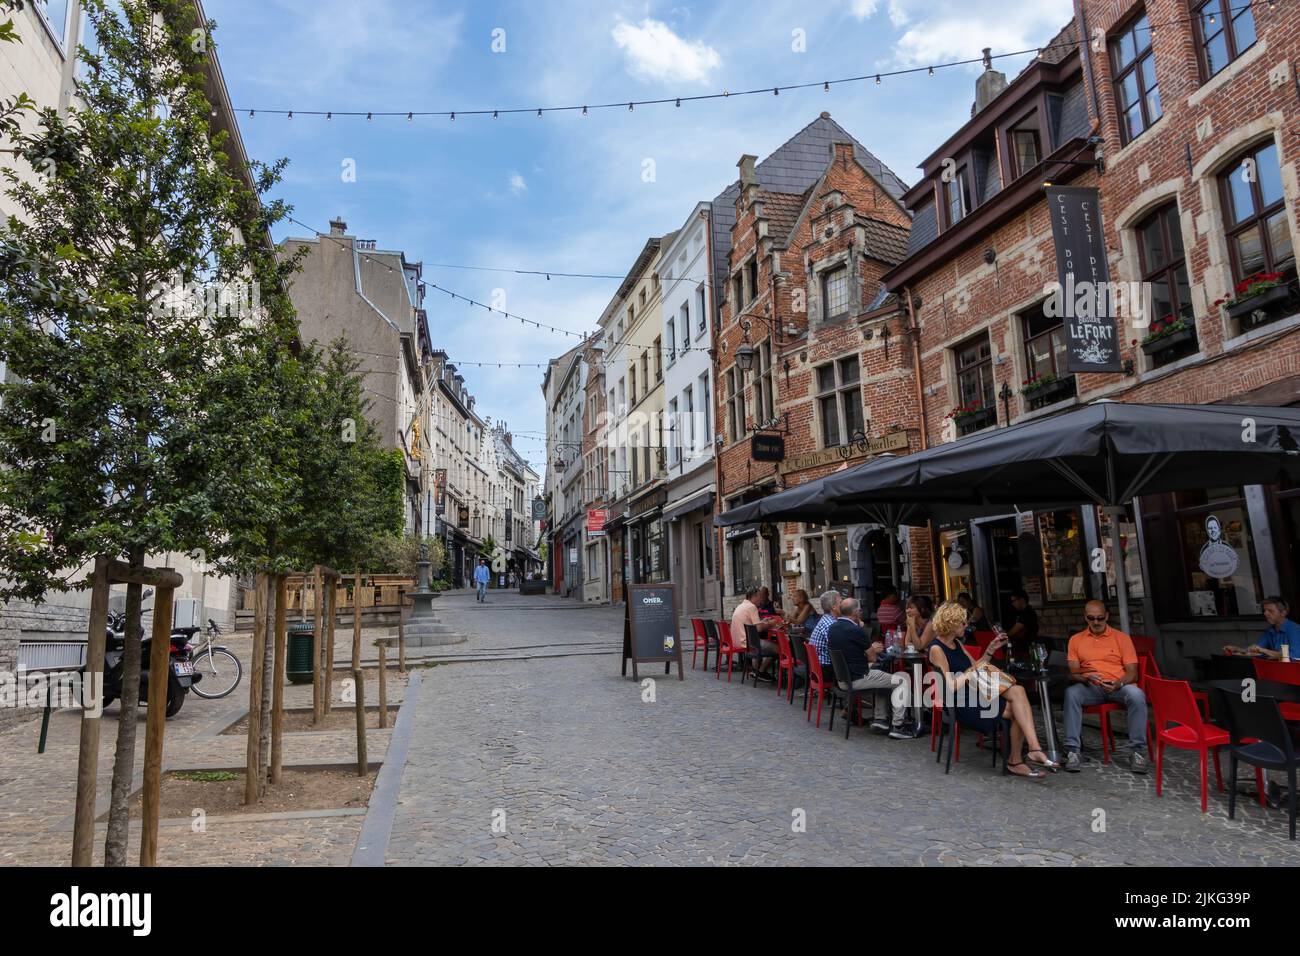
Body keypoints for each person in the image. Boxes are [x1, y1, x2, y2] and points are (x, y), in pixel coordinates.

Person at [927, 601, 1058, 778]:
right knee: (1018, 709)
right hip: (963, 703)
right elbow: (950, 686)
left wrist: (990, 650)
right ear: (951, 624)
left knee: (1018, 693)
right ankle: (1016, 760)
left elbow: (977, 667)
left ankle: (1032, 750)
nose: (967, 626)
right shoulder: (936, 648)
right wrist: (971, 672)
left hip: (976, 693)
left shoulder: (957, 643)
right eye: (963, 623)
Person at [1062, 600, 1148, 774]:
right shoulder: (1076, 640)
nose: (1096, 622)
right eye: (1091, 618)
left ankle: (1137, 751)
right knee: (1071, 693)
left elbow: (1133, 673)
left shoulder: (1122, 638)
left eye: (1100, 618)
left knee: (1137, 695)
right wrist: (1087, 677)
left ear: (1107, 616)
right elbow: (1073, 672)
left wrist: (1118, 683)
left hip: (1119, 685)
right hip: (1091, 687)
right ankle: (1073, 750)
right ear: (1085, 617)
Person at [827, 598, 914, 739]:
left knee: (882, 676)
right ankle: (898, 725)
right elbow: (873, 658)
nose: (861, 612)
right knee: (901, 681)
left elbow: (850, 652)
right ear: (855, 613)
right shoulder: (856, 630)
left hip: (843, 678)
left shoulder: (832, 628)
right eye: (860, 610)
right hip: (858, 677)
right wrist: (873, 648)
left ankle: (881, 718)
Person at [1223, 596, 1300, 660]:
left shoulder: (1295, 630)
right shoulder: (1270, 630)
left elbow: (1294, 656)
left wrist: (1264, 650)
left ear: (1283, 613)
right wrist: (1236, 649)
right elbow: (1256, 650)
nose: (1265, 613)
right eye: (1265, 610)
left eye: (1270, 611)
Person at [731, 586, 777, 681]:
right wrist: (770, 624)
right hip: (748, 643)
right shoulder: (752, 607)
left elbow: (754, 625)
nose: (761, 599)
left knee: (766, 644)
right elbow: (759, 628)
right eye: (760, 597)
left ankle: (757, 670)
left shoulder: (741, 605)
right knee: (780, 649)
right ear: (754, 596)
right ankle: (761, 671)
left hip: (738, 641)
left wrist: (763, 621)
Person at [807, 590, 841, 672]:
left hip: (819, 666)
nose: (843, 605)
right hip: (825, 669)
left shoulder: (827, 619)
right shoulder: (830, 624)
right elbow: (840, 649)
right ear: (834, 607)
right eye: (841, 602)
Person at [1005, 589, 1039, 658]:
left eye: (1014, 601)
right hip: (1025, 648)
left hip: (1024, 650)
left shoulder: (1026, 614)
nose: (1012, 604)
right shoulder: (1025, 612)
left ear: (1022, 600)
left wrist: (1003, 633)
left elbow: (1012, 633)